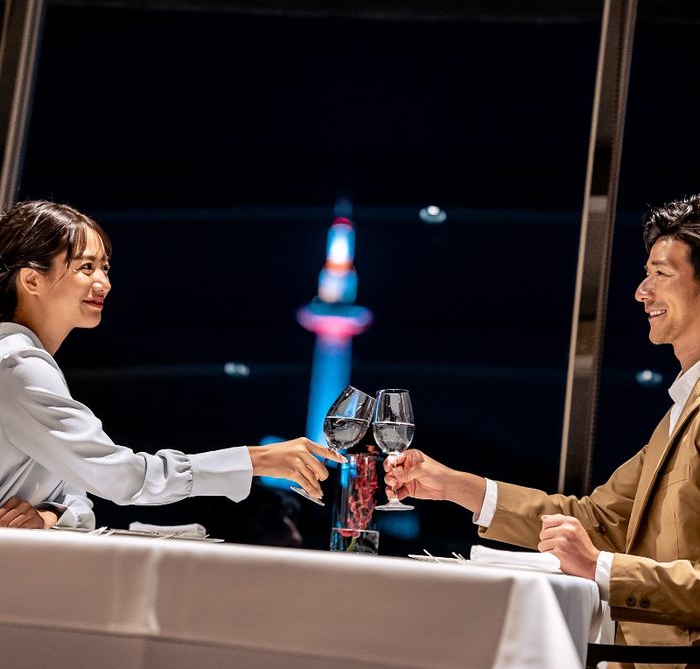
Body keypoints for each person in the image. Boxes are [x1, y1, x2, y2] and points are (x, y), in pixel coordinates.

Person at [385, 195, 700, 651]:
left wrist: (602, 568)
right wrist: (452, 485)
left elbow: (596, 544)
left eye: (660, 273)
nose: (641, 291)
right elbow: (595, 519)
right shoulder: (678, 413)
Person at [0, 200, 344, 530]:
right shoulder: (19, 366)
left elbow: (78, 494)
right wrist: (255, 460)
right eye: (85, 267)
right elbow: (120, 477)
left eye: (105, 268)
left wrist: (50, 514)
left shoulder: (24, 362)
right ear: (31, 280)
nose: (104, 282)